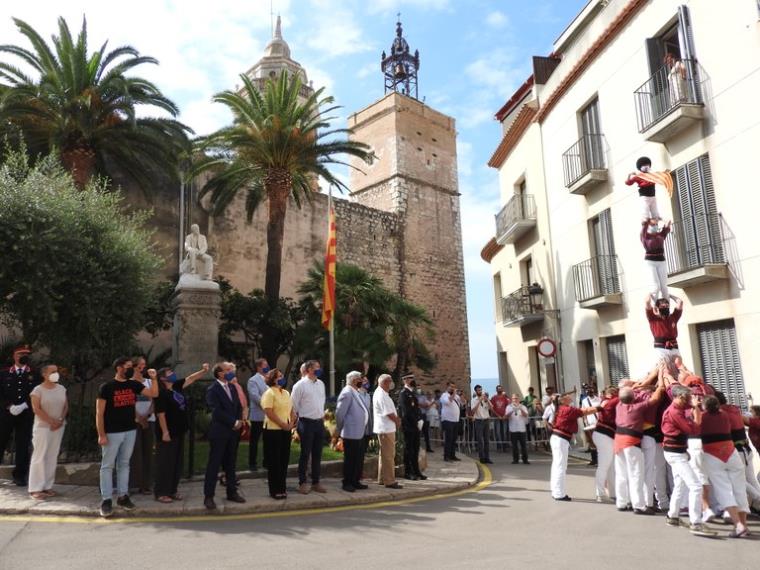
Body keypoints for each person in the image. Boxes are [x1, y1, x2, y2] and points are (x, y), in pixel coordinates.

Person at [96, 356, 159, 518]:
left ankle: (123, 496)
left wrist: (154, 378)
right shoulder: (106, 387)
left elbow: (154, 393)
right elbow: (99, 413)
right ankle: (106, 499)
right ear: (119, 368)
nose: (132, 369)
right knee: (107, 465)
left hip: (130, 430)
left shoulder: (134, 385)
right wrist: (101, 434)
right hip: (112, 432)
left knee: (124, 464)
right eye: (128, 366)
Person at [660, 384, 716, 537]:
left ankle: (673, 516)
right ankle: (696, 523)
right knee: (696, 486)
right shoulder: (675, 412)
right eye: (687, 397)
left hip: (676, 451)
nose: (689, 400)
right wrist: (696, 409)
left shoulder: (676, 409)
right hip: (675, 453)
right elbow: (693, 429)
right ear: (679, 397)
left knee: (680, 485)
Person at [153, 363, 208, 503]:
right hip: (168, 433)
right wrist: (165, 432)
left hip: (179, 431)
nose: (173, 374)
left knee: (177, 463)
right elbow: (161, 414)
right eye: (169, 373)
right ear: (163, 379)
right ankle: (161, 492)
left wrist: (203, 370)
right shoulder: (160, 393)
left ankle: (172, 490)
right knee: (166, 462)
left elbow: (190, 378)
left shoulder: (176, 387)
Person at [700, 395, 750, 538]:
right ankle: (744, 525)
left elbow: (693, 427)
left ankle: (738, 525)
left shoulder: (702, 417)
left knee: (724, 490)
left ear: (705, 407)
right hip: (730, 451)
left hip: (712, 454)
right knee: (739, 490)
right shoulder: (726, 415)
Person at [614, 381, 665, 514]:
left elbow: (626, 395)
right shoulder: (637, 407)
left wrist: (635, 387)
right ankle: (639, 505)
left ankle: (622, 502)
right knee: (636, 473)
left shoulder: (619, 406)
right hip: (631, 442)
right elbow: (655, 398)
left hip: (618, 441)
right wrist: (658, 385)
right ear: (633, 398)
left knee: (621, 473)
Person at [203, 362, 246, 510]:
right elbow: (215, 411)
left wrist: (239, 420)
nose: (230, 372)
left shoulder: (232, 388)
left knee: (231, 464)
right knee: (214, 464)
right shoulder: (212, 390)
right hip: (220, 432)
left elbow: (238, 406)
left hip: (233, 432)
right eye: (227, 370)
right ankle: (209, 496)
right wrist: (233, 421)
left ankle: (232, 492)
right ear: (220, 373)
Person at [549, 392, 601, 501]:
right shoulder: (567, 409)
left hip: (558, 438)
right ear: (562, 400)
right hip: (560, 439)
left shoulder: (562, 408)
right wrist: (601, 407)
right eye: (566, 396)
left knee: (557, 465)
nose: (569, 396)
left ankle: (556, 491)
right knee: (560, 466)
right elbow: (585, 411)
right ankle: (559, 493)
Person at [0, 345, 40, 486]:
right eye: (20, 353)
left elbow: (37, 392)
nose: (23, 356)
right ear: (14, 356)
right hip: (6, 414)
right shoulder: (4, 373)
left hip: (25, 415)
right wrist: (9, 406)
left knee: (23, 445)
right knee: (1, 441)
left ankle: (20, 475)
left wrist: (24, 405)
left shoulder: (35, 374)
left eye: (26, 354)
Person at [27, 364, 67, 500]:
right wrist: (51, 421)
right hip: (43, 427)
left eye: (57, 371)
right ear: (44, 374)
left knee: (52, 455)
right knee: (39, 456)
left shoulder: (61, 388)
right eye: (53, 372)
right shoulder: (37, 390)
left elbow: (65, 405)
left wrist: (60, 420)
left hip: (59, 426)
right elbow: (36, 409)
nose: (56, 374)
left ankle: (47, 486)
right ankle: (35, 488)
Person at [716, 392, 760, 512]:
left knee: (737, 479)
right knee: (751, 479)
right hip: (746, 450)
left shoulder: (722, 413)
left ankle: (756, 501)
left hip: (739, 451)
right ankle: (755, 506)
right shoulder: (734, 410)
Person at [291, 360, 327, 494]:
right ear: (309, 369)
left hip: (318, 422)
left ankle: (316, 482)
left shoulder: (321, 384)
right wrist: (293, 423)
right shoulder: (300, 385)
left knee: (317, 454)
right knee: (305, 454)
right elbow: (293, 405)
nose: (319, 369)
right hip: (306, 422)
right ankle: (302, 482)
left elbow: (321, 402)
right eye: (316, 367)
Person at [261, 368, 296, 500]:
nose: (282, 378)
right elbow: (269, 412)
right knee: (274, 461)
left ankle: (282, 488)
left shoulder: (286, 393)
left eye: (282, 376)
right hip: (272, 430)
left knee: (283, 460)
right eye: (278, 376)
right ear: (272, 379)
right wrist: (283, 425)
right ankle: (274, 489)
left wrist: (291, 423)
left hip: (285, 430)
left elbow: (292, 410)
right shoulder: (269, 393)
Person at [336, 371, 371, 492]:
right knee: (350, 459)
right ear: (353, 380)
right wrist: (340, 429)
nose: (361, 380)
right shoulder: (347, 393)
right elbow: (340, 414)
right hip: (350, 432)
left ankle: (355, 480)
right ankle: (347, 482)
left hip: (359, 432)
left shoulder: (355, 392)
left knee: (357, 458)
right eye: (359, 378)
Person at [129, 356, 154, 496]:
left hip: (149, 420)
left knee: (148, 452)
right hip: (134, 421)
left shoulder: (149, 382)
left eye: (144, 365)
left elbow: (154, 400)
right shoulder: (129, 383)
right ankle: (135, 484)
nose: (142, 367)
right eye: (139, 365)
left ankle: (146, 484)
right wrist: (139, 417)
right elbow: (129, 402)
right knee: (135, 452)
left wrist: (147, 416)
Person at [373, 374, 402, 489]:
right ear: (385, 382)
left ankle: (382, 478)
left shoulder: (382, 393)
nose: (391, 384)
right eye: (390, 381)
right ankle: (389, 481)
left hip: (385, 428)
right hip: (386, 428)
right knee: (389, 456)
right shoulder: (381, 395)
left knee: (384, 455)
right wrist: (397, 421)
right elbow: (388, 413)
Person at [646, 294, 683, 376]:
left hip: (674, 346)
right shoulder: (653, 318)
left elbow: (680, 302)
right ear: (657, 308)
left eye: (667, 306)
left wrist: (669, 295)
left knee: (679, 369)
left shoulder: (673, 317)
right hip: (661, 348)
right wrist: (651, 293)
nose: (665, 308)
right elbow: (647, 302)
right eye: (663, 306)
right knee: (664, 370)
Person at [593, 386, 618, 502]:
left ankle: (612, 493)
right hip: (604, 435)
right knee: (604, 466)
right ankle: (600, 494)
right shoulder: (609, 401)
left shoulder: (605, 401)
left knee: (610, 466)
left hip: (605, 435)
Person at [399, 374, 426, 480]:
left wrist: (420, 419)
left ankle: (416, 471)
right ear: (405, 380)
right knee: (409, 450)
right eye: (410, 379)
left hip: (415, 426)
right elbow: (406, 412)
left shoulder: (412, 393)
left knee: (415, 449)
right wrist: (415, 422)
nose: (412, 380)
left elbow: (416, 408)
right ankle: (408, 472)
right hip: (409, 426)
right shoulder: (404, 394)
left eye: (412, 378)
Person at [641, 219, 672, 304]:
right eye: (653, 226)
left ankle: (667, 305)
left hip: (661, 261)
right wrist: (647, 222)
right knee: (656, 286)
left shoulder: (660, 235)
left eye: (656, 225)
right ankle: (655, 305)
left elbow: (666, 228)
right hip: (650, 262)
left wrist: (667, 223)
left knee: (664, 286)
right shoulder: (645, 236)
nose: (655, 227)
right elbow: (644, 227)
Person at [247, 358, 269, 471]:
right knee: (254, 441)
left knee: (268, 440)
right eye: (265, 365)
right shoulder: (253, 380)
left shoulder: (268, 379)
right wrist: (268, 405)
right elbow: (255, 396)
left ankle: (266, 462)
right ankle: (252, 463)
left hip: (268, 417)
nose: (267, 367)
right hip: (257, 416)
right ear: (259, 367)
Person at [625, 156, 660, 222]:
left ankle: (656, 220)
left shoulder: (652, 175)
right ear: (640, 167)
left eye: (647, 165)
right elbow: (628, 183)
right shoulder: (638, 176)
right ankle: (645, 220)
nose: (646, 166)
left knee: (655, 211)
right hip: (645, 196)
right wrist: (629, 175)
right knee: (645, 210)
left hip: (652, 196)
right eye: (644, 165)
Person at [470, 385, 494, 465]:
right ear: (476, 391)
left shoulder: (485, 399)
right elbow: (473, 411)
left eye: (481, 390)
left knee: (487, 440)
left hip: (486, 420)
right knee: (480, 441)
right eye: (478, 390)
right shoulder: (473, 400)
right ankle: (482, 457)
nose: (480, 391)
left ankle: (487, 457)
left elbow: (491, 408)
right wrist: (479, 401)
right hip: (479, 421)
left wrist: (487, 400)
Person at [439, 383, 462, 462]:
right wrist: (454, 394)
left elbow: (463, 402)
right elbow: (448, 402)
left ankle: (453, 455)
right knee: (449, 439)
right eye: (451, 386)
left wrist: (461, 396)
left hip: (455, 420)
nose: (452, 388)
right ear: (447, 387)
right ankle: (446, 456)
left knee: (454, 439)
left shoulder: (456, 396)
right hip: (448, 420)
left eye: (453, 387)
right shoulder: (444, 395)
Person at [580, 385, 600, 466]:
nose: (589, 391)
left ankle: (600, 459)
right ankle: (594, 459)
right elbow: (583, 412)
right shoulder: (584, 401)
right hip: (590, 423)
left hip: (598, 422)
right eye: (587, 390)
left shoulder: (599, 399)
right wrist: (585, 421)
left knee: (599, 442)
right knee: (592, 442)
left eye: (590, 390)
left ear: (593, 390)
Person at [506, 394, 529, 465]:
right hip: (513, 429)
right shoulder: (509, 407)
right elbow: (506, 416)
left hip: (522, 428)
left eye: (516, 398)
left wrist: (520, 409)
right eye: (513, 399)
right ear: (511, 399)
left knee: (523, 445)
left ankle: (525, 459)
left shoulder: (523, 406)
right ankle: (515, 459)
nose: (515, 400)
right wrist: (512, 411)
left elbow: (526, 415)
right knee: (514, 445)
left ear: (518, 399)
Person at [490, 386, 509, 451]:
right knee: (498, 432)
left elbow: (508, 407)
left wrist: (505, 415)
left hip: (504, 418)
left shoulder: (505, 398)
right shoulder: (493, 398)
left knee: (504, 432)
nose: (500, 390)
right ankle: (499, 446)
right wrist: (497, 415)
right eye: (498, 389)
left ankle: (505, 447)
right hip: (497, 418)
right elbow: (491, 408)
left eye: (501, 389)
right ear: (496, 390)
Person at [417, 389, 434, 453]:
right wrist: (421, 405)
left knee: (426, 432)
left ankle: (428, 447)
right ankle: (417, 447)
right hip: (418, 415)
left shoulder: (424, 397)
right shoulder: (415, 397)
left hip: (424, 415)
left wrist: (421, 405)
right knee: (418, 432)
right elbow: (418, 404)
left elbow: (427, 405)